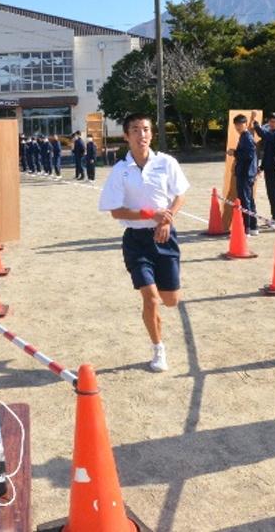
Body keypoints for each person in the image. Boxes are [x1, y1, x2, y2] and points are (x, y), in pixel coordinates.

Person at [98, 113, 190, 373]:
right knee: (150, 299)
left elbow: (180, 194)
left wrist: (166, 219)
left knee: (170, 300)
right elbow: (116, 211)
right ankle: (158, 348)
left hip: (165, 236)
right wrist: (151, 215)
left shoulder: (166, 162)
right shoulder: (120, 170)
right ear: (126, 136)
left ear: (152, 134)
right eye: (135, 130)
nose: (142, 135)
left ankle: (160, 314)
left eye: (146, 129)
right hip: (137, 241)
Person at [227, 114, 259, 235]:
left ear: (245, 124)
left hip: (245, 173)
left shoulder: (247, 138)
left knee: (245, 201)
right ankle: (253, 226)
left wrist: (234, 152)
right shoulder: (244, 137)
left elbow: (249, 155)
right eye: (236, 125)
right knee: (249, 200)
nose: (238, 127)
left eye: (240, 124)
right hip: (247, 172)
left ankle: (247, 228)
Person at [252, 111, 275, 222]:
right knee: (270, 193)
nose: (272, 123)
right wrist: (261, 167)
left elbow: (262, 133)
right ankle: (274, 217)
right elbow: (267, 154)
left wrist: (255, 123)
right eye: (270, 121)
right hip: (269, 168)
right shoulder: (270, 134)